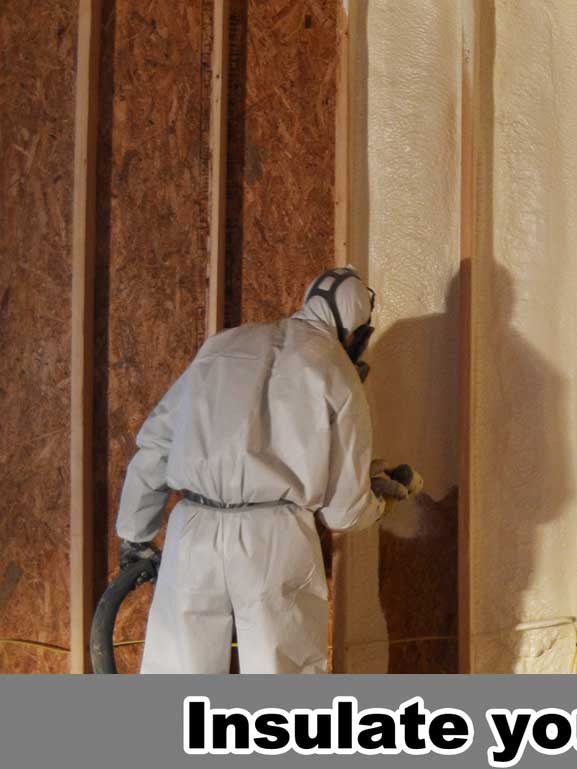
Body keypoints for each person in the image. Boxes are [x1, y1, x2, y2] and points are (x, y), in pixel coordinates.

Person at [113, 267, 419, 674]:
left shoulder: (223, 345)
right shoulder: (337, 372)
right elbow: (343, 511)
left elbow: (157, 442)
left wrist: (134, 534)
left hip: (195, 531)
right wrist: (379, 501)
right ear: (357, 335)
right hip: (275, 541)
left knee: (177, 683)